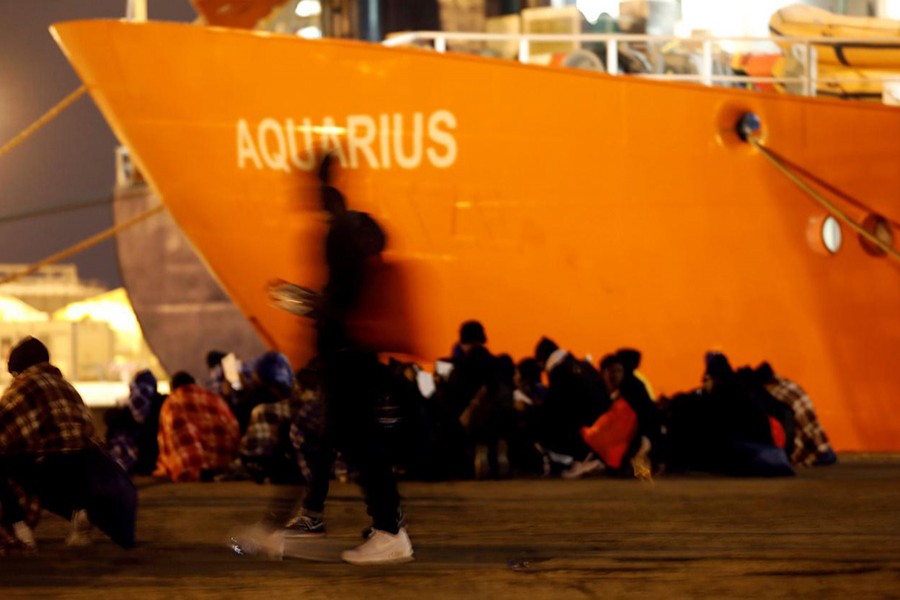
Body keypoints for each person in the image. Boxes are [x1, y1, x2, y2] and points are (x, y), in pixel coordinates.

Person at [278, 154, 412, 564]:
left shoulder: (337, 236)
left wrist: (310, 304)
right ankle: (374, 521)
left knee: (360, 442)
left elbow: (343, 298)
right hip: (355, 353)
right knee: (347, 438)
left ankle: (389, 529)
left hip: (346, 353)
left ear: (323, 193)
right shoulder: (352, 233)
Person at [0, 337, 100, 551]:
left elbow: (4, 428)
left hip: (47, 467)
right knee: (55, 466)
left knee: (9, 466)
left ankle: (19, 528)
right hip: (86, 469)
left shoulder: (24, 387)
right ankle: (78, 511)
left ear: (18, 369)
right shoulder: (67, 387)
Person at [534, 336, 609, 478]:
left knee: (541, 423)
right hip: (602, 426)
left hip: (583, 430)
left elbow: (554, 407)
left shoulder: (559, 372)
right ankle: (588, 457)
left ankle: (578, 460)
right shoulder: (584, 366)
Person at [154, 371, 240, 482]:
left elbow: (166, 439)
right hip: (223, 462)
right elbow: (233, 426)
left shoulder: (172, 402)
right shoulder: (213, 398)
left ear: (172, 387)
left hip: (190, 467)